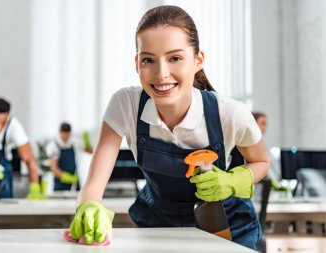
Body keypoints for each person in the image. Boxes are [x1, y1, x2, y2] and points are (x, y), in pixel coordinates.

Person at [69, 5, 269, 250]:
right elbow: (93, 185)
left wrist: (233, 181)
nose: (161, 74)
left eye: (175, 58)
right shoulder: (126, 104)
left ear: (198, 61)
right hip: (159, 227)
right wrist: (89, 205)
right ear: (136, 63)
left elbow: (261, 162)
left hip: (228, 227)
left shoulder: (229, 112)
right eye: (148, 60)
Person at [0, 97, 43, 199]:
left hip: (3, 180)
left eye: (2, 123)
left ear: (7, 116)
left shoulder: (14, 126)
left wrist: (35, 187)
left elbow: (30, 159)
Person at [45, 123, 80, 191]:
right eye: (64, 134)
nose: (66, 136)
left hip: (74, 183)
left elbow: (89, 151)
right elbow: (53, 168)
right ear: (60, 132)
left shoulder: (73, 143)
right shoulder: (53, 146)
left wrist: (87, 143)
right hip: (60, 184)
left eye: (68, 134)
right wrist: (66, 177)